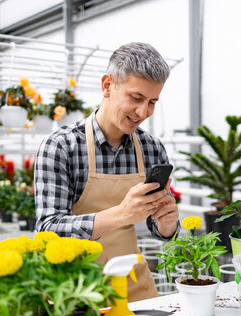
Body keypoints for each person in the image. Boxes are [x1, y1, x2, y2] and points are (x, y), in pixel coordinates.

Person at [35, 42, 180, 302]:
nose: (143, 112)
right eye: (136, 98)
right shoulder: (61, 146)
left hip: (133, 288)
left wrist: (167, 225)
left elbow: (156, 226)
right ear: (107, 86)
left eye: (152, 102)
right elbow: (48, 230)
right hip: (73, 291)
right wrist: (122, 214)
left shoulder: (151, 149)